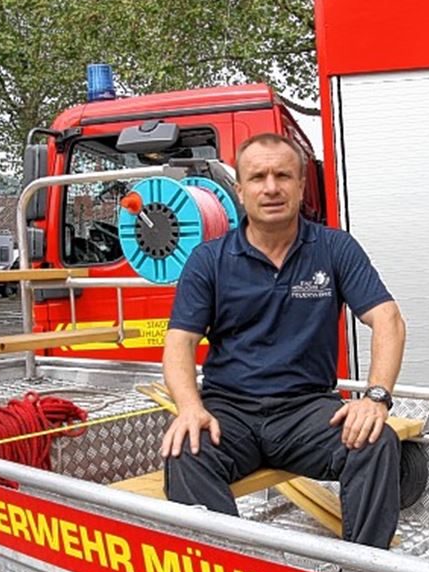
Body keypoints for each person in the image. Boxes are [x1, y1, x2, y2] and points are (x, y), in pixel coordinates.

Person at [161, 133, 407, 549]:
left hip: (307, 413)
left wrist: (376, 397)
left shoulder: (334, 248)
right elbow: (179, 345)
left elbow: (388, 320)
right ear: (240, 190)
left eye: (282, 175)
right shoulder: (209, 261)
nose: (271, 187)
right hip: (230, 413)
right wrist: (189, 408)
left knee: (376, 441)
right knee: (185, 451)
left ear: (300, 186)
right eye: (258, 177)